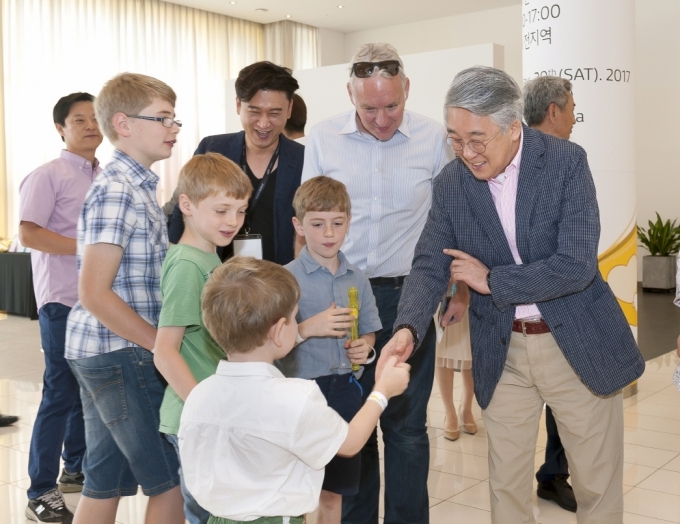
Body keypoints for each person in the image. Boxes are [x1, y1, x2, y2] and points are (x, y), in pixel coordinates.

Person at [379, 66, 645, 524]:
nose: (467, 153)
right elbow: (428, 264)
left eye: (477, 139)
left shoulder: (565, 162)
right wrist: (407, 328)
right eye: (455, 139)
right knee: (506, 487)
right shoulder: (452, 183)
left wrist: (494, 281)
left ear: (513, 127)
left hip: (575, 343)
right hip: (502, 350)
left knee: (596, 484)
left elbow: (576, 264)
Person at [302, 42, 453, 524]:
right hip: (340, 298)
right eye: (370, 108)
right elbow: (307, 220)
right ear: (350, 94)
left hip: (409, 297)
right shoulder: (323, 138)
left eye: (392, 106)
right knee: (352, 422)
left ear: (407, 88)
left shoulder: (433, 138)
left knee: (406, 428)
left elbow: (450, 221)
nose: (382, 119)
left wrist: (458, 289)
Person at [178, 256, 410, 524]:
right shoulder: (294, 397)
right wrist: (382, 390)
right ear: (279, 330)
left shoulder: (199, 395)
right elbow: (350, 443)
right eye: (293, 317)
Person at [64, 73, 184, 524]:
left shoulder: (135, 187)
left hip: (106, 349)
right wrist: (160, 345)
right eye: (163, 118)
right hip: (121, 351)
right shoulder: (117, 190)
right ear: (124, 124)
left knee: (104, 479)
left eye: (174, 119)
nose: (173, 128)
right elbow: (94, 293)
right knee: (169, 479)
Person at [18, 92, 103, 523]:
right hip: (63, 300)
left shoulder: (105, 176)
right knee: (59, 392)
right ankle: (39, 490)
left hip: (99, 300)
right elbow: (29, 234)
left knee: (87, 390)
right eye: (79, 119)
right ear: (61, 128)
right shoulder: (47, 175)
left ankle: (74, 469)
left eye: (95, 118)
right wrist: (89, 248)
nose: (90, 126)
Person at [153, 153, 252, 523]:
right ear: (187, 205)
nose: (233, 221)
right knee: (207, 515)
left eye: (241, 211)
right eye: (222, 210)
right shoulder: (187, 265)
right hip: (196, 418)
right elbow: (165, 351)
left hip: (213, 414)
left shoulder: (210, 258)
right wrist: (205, 408)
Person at [277, 176, 382, 524]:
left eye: (337, 223)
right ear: (299, 226)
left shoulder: (358, 279)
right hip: (300, 394)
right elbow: (271, 346)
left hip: (345, 394)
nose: (328, 233)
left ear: (349, 223)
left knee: (333, 492)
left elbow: (369, 332)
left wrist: (365, 349)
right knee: (297, 490)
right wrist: (308, 328)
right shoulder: (284, 279)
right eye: (317, 224)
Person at [167, 61, 304, 264]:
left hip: (280, 275)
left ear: (289, 109)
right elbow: (183, 213)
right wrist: (175, 262)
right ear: (238, 105)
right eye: (254, 111)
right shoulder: (213, 148)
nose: (264, 123)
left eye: (274, 113)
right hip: (217, 273)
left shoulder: (303, 159)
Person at [523, 75, 578, 513]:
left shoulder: (571, 162)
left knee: (567, 398)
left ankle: (554, 473)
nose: (575, 118)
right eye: (572, 109)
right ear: (554, 111)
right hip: (524, 310)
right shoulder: (514, 163)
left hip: (566, 304)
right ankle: (552, 473)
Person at [433, 282, 476, 442]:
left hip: (474, 288)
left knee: (471, 351)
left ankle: (466, 408)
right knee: (443, 349)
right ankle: (449, 412)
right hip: (443, 288)